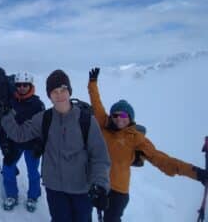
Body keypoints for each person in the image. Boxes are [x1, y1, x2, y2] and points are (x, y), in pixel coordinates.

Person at [87, 67, 208, 222]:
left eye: (124, 115)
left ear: (130, 118)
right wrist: (92, 83)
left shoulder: (136, 138)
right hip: (99, 185)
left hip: (118, 192)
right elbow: (96, 102)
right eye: (115, 115)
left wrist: (196, 173)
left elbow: (162, 160)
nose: (119, 119)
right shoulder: (103, 124)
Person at [0, 69, 111, 222]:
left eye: (63, 90)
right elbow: (20, 134)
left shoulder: (86, 121)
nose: (59, 95)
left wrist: (100, 184)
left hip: (81, 190)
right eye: (54, 91)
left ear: (69, 91)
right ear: (49, 95)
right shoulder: (45, 118)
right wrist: (6, 116)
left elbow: (99, 156)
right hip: (55, 190)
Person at [0, 71, 45, 212]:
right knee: (7, 168)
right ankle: (12, 195)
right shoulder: (10, 102)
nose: (22, 88)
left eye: (25, 85)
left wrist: (40, 144)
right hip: (14, 143)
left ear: (30, 85)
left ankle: (33, 196)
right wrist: (4, 143)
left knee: (32, 171)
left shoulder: (38, 104)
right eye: (19, 85)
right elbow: (3, 126)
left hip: (32, 144)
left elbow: (43, 126)